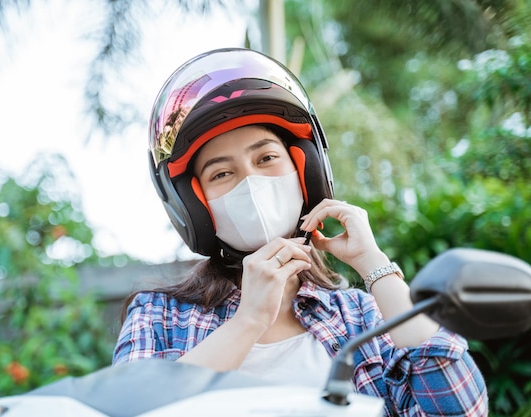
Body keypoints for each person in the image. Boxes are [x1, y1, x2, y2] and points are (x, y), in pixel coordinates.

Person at [112, 48, 488, 416]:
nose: (251, 182)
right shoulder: (160, 315)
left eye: (266, 158)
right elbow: (126, 410)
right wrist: (249, 321)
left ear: (304, 170)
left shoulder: (359, 317)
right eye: (222, 173)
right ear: (194, 206)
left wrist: (373, 264)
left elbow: (460, 411)